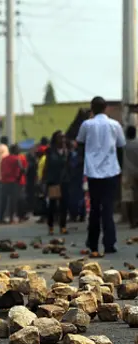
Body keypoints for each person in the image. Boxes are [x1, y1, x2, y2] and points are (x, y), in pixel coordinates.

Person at [77, 96, 126, 254]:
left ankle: (93, 244)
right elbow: (120, 147)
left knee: (95, 209)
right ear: (106, 108)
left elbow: (80, 144)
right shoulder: (115, 125)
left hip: (93, 172)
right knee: (108, 209)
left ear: (92, 108)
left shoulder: (87, 125)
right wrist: (119, 168)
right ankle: (109, 244)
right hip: (111, 172)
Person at [43, 130, 71, 235]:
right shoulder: (50, 151)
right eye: (60, 137)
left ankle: (63, 226)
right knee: (53, 205)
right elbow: (48, 165)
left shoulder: (67, 151)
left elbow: (69, 165)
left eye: (64, 137)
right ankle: (50, 226)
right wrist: (44, 180)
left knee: (64, 204)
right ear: (55, 139)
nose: (63, 139)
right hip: (54, 181)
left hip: (64, 181)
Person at [1, 144, 26, 223]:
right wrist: (19, 177)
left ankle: (2, 217)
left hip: (5, 182)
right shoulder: (16, 158)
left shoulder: (4, 159)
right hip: (14, 182)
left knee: (4, 201)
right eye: (18, 149)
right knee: (13, 201)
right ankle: (12, 218)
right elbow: (22, 169)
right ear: (15, 150)